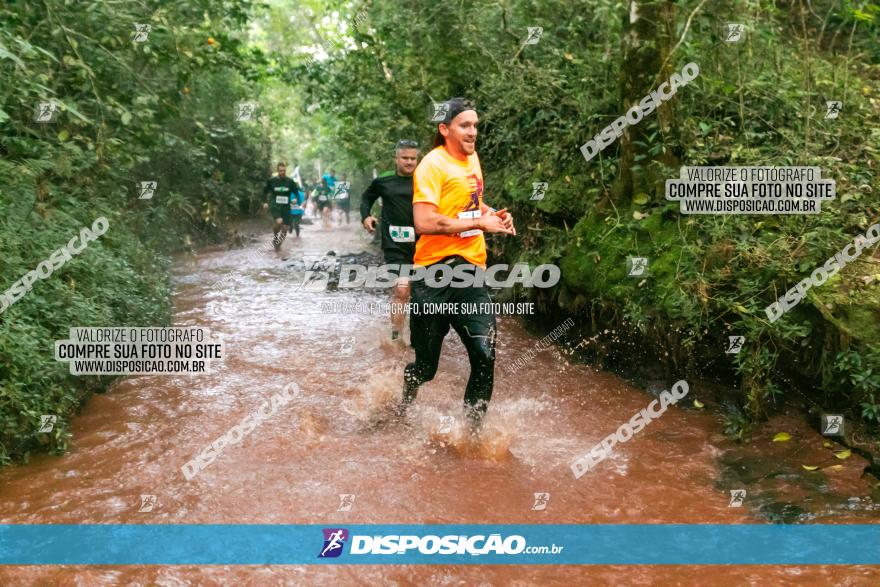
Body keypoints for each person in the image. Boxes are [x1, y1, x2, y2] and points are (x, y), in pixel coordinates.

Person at [401, 98, 516, 431]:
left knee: (485, 353)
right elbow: (424, 222)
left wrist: (492, 215)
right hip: (432, 276)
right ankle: (405, 399)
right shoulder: (431, 166)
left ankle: (472, 434)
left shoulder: (472, 159)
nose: (473, 132)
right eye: (465, 125)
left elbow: (472, 205)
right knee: (426, 368)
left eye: (476, 125)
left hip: (470, 273)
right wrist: (480, 224)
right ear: (444, 129)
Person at [361, 140, 420, 341]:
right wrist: (366, 216)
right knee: (402, 290)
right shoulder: (384, 181)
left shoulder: (426, 179)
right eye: (405, 158)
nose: (410, 162)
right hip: (394, 244)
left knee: (421, 297)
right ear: (396, 158)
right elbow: (366, 198)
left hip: (424, 245)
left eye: (413, 158)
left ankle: (420, 338)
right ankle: (396, 336)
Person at [261, 162, 302, 251]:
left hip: (286, 207)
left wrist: (296, 201)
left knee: (285, 230)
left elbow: (296, 193)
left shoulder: (290, 181)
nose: (282, 172)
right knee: (279, 222)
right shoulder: (272, 181)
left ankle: (278, 246)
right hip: (275, 205)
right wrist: (264, 202)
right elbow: (264, 191)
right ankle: (275, 238)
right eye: (280, 171)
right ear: (277, 171)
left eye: (284, 171)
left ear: (285, 171)